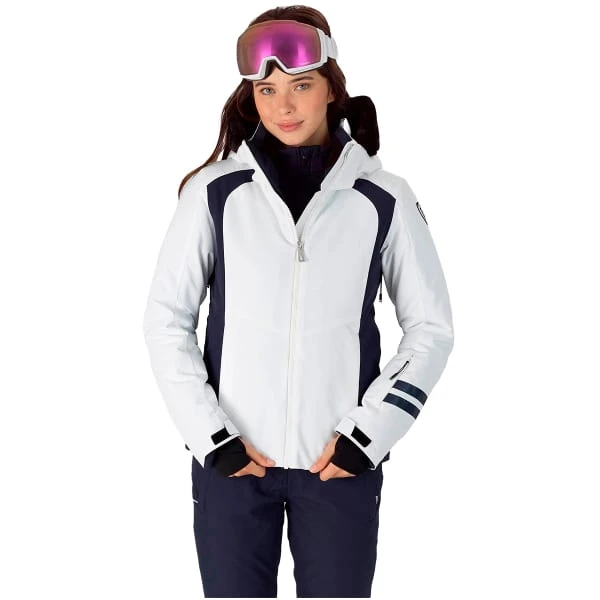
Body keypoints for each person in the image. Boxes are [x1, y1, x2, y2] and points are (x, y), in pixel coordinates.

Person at [142, 5, 454, 598]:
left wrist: (369, 436)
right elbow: (166, 321)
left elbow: (431, 329)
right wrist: (211, 437)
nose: (283, 106)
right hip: (233, 463)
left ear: (331, 88)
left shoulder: (382, 197)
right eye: (267, 90)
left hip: (338, 465)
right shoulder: (215, 194)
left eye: (301, 86)